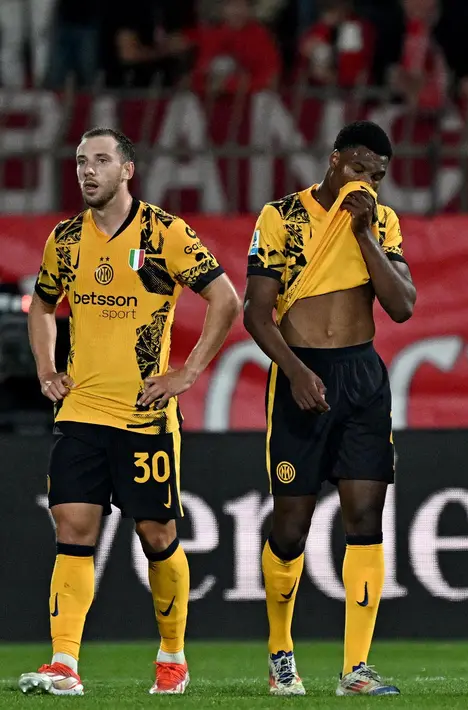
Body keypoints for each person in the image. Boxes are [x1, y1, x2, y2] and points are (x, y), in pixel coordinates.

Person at [18, 127, 241, 696]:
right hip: (82, 409)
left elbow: (225, 298)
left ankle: (172, 656)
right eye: (79, 162)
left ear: (127, 170)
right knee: (72, 526)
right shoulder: (65, 240)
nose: (87, 171)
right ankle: (63, 663)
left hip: (143, 414)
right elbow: (43, 304)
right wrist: (47, 367)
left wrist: (187, 372)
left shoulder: (165, 234)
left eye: (99, 161)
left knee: (157, 534)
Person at [244, 120, 416, 696]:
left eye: (379, 175)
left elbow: (402, 307)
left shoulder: (381, 221)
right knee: (291, 527)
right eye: (359, 167)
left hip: (362, 376)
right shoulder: (282, 218)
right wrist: (295, 371)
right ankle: (280, 655)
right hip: (301, 375)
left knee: (365, 520)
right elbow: (256, 313)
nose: (368, 181)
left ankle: (356, 669)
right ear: (335, 157)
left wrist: (363, 230)